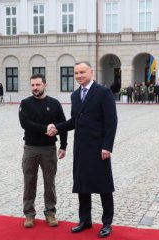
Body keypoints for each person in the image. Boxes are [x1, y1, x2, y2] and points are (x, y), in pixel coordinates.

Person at [47, 61, 118, 238]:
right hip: (81, 147)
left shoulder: (103, 92)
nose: (78, 76)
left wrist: (107, 146)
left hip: (99, 148)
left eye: (82, 72)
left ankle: (107, 223)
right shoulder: (75, 95)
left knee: (104, 186)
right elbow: (74, 121)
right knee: (82, 185)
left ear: (91, 72)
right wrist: (58, 127)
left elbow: (111, 122)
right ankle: (85, 220)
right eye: (76, 73)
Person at [19, 73, 67, 228]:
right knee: (29, 182)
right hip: (30, 149)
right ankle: (29, 214)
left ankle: (50, 213)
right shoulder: (25, 103)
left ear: (44, 85)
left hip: (49, 149)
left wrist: (64, 145)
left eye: (38, 84)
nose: (35, 88)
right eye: (32, 85)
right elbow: (25, 124)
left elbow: (63, 125)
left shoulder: (54, 103)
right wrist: (45, 128)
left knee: (49, 183)